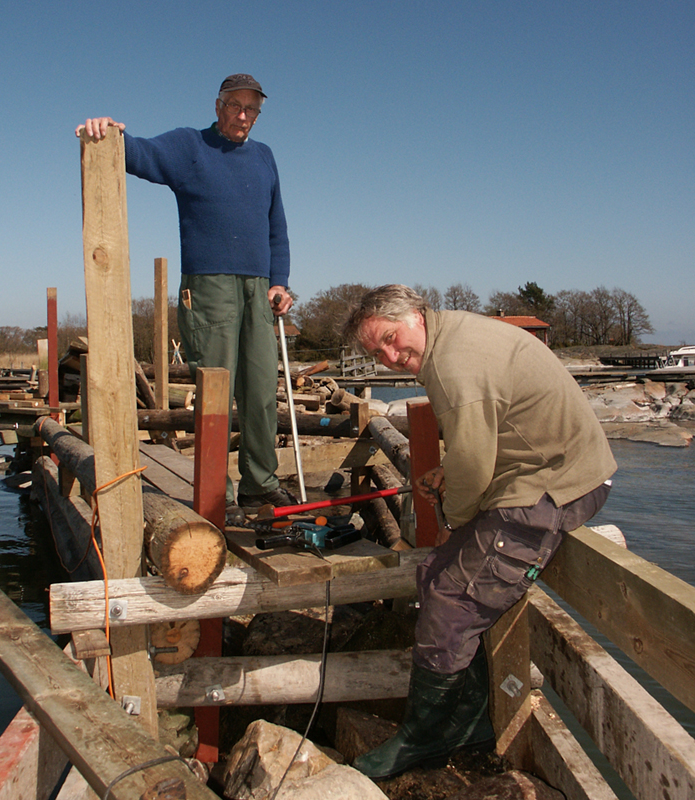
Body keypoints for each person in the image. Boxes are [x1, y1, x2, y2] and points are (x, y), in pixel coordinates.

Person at [342, 284, 616, 779]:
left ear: (416, 316)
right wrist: (454, 481)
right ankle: (468, 725)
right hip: (529, 469)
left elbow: (470, 463)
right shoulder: (449, 341)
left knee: (453, 598)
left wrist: (455, 517)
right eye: (373, 352)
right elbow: (485, 436)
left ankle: (425, 736)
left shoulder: (454, 363)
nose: (387, 356)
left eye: (389, 338)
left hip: (555, 484)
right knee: (433, 575)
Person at [76, 74, 297, 520]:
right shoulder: (189, 146)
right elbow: (140, 155)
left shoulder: (265, 157)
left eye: (251, 109)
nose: (242, 116)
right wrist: (110, 133)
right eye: (235, 106)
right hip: (210, 288)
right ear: (218, 106)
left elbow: (277, 225)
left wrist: (279, 281)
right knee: (216, 390)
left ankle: (260, 484)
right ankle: (216, 491)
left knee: (259, 392)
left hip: (258, 289)